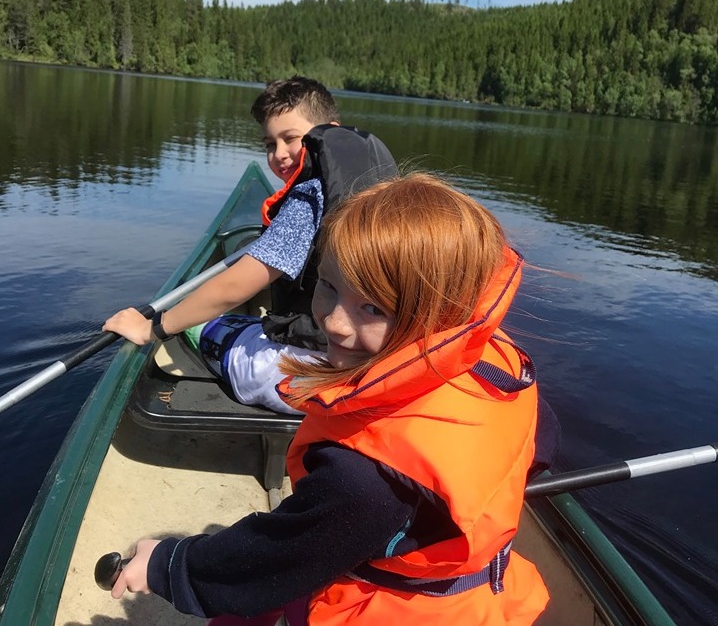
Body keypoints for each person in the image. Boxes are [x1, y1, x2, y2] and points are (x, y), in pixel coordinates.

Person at [110, 173, 550, 625]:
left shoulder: (364, 478)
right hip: (475, 596)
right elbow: (543, 444)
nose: (335, 323)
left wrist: (168, 564)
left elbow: (278, 557)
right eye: (328, 286)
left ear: (437, 313)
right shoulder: (504, 368)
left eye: (373, 308)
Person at [103, 76, 397, 414]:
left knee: (203, 326)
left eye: (290, 139)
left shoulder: (310, 196)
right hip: (376, 362)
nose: (279, 154)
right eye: (270, 144)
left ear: (327, 131)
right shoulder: (378, 185)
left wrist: (152, 328)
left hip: (314, 375)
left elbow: (235, 287)